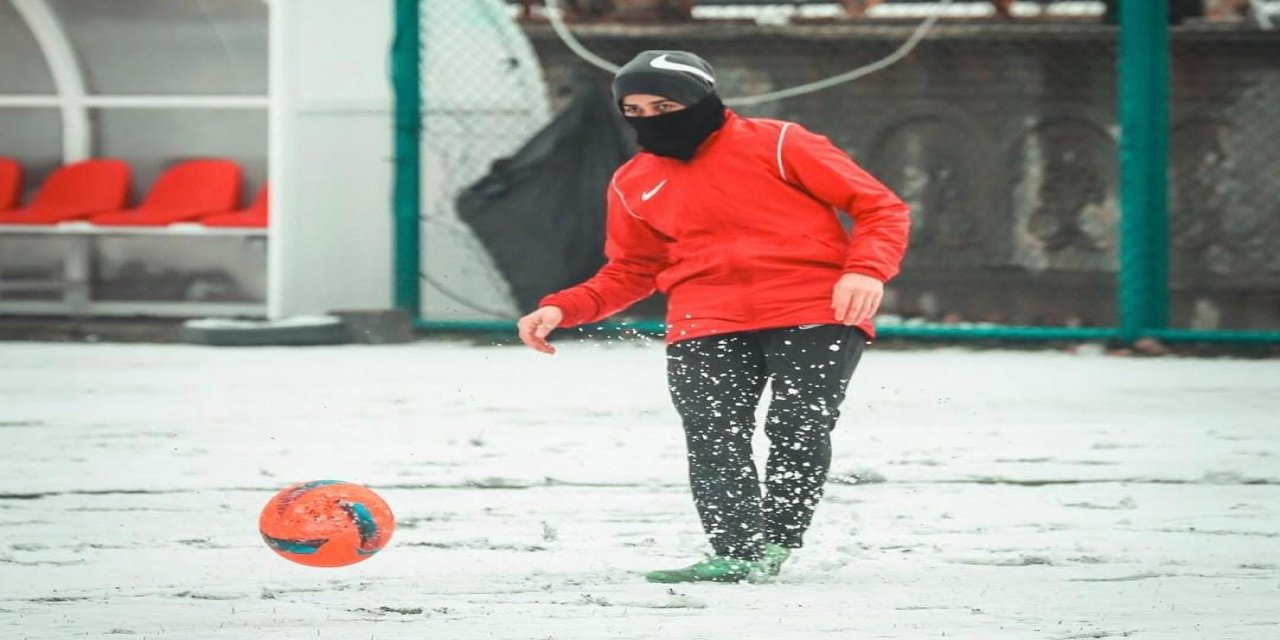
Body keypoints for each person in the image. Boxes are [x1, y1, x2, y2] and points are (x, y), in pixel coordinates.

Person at [516, 50, 911, 583]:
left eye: (664, 104)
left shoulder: (779, 143)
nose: (650, 118)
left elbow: (879, 207)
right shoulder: (632, 182)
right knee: (712, 432)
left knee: (797, 424)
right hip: (705, 319)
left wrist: (865, 270)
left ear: (702, 100)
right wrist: (563, 306)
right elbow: (633, 269)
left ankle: (777, 540)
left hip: (816, 307)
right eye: (634, 109)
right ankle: (738, 551)